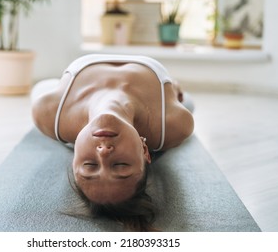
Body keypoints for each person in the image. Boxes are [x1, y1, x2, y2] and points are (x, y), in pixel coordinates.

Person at [31, 54, 194, 231]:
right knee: (188, 104)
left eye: (90, 165)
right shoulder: (172, 123)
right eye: (121, 165)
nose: (103, 152)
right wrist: (173, 88)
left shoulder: (49, 113)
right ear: (145, 150)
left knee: (40, 89)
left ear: (74, 156)